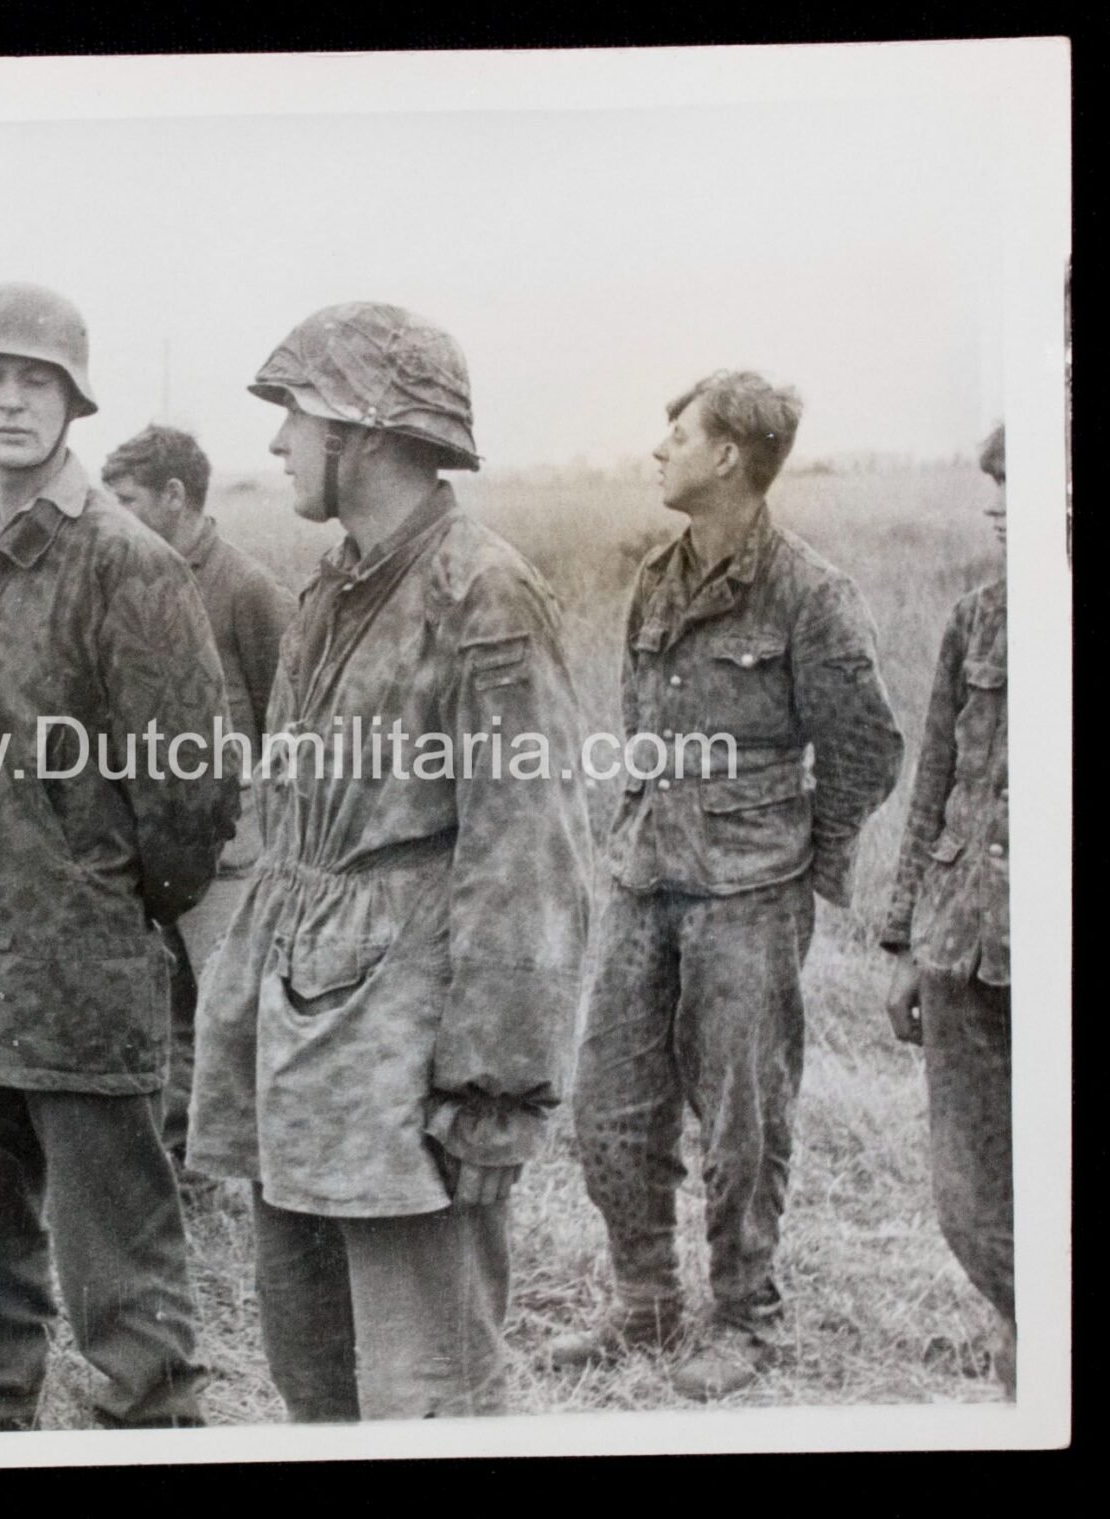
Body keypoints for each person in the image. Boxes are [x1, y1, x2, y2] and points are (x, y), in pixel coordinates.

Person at [186, 301, 591, 1420]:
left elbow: (530, 854)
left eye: (291, 417)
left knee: (425, 1388)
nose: (275, 446)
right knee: (309, 1369)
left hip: (410, 1054)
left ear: (357, 426)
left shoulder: (484, 591)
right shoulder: (329, 590)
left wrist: (492, 1084)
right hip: (308, 1039)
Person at [0, 282, 238, 1431]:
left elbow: (190, 786)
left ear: (72, 401)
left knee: (116, 1254)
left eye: (33, 380)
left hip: (78, 971)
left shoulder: (126, 563)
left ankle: (154, 1429)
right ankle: (0, 1423)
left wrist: (105, 901)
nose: (7, 401)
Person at [551, 371, 905, 1398]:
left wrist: (804, 859)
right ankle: (644, 1300)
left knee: (741, 1113)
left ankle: (745, 1319)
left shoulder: (807, 592)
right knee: (610, 1098)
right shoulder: (656, 577)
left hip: (748, 890)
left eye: (677, 431)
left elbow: (864, 745)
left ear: (727, 458)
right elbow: (642, 729)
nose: (657, 447)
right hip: (643, 873)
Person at [101, 425, 294, 1180]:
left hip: (229, 843)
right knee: (161, 1008)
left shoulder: (246, 589)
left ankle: (227, 1164)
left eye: (127, 502)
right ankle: (175, 1163)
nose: (112, 517)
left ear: (175, 498)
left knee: (228, 1007)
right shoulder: (128, 582)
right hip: (145, 836)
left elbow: (292, 721)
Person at [879, 424, 1013, 1394]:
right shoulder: (973, 621)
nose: (997, 504)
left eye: (1018, 482)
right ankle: (1023, 1333)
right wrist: (901, 939)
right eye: (993, 484)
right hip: (960, 950)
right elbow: (930, 784)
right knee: (968, 1202)